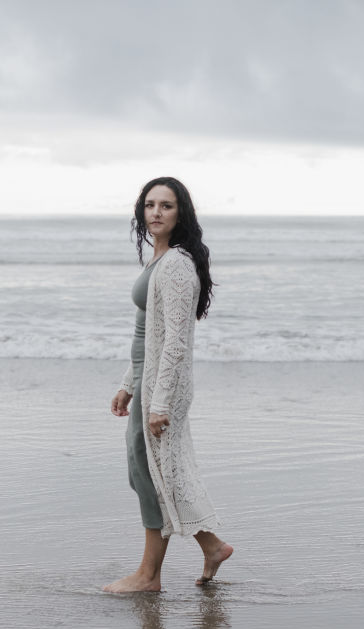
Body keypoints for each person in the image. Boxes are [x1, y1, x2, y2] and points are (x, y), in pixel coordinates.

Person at [104, 177, 233, 593]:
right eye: (150, 205)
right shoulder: (158, 260)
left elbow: (176, 342)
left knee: (152, 474)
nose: (156, 212)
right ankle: (211, 546)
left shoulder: (176, 264)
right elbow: (146, 333)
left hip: (163, 388)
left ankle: (149, 576)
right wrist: (128, 384)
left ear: (182, 213)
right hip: (147, 381)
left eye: (166, 205)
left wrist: (159, 402)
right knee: (151, 473)